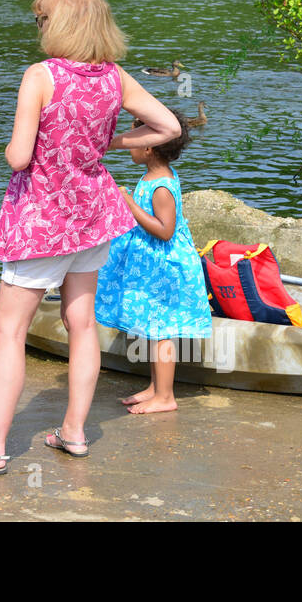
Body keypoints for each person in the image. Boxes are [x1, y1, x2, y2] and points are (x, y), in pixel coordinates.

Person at [0, 0, 181, 478]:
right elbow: (170, 127)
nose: (39, 25)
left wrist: (16, 150)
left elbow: (20, 156)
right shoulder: (115, 77)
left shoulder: (41, 75)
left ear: (58, 24)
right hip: (92, 216)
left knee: (8, 329)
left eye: (41, 18)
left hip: (43, 220)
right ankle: (73, 431)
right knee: (82, 323)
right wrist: (103, 145)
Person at [96, 111, 210, 414]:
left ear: (149, 146)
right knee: (151, 327)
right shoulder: (151, 176)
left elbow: (165, 230)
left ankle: (166, 397)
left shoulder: (161, 186)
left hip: (165, 268)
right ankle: (154, 388)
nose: (129, 145)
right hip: (152, 266)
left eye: (133, 139)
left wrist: (131, 205)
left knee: (162, 332)